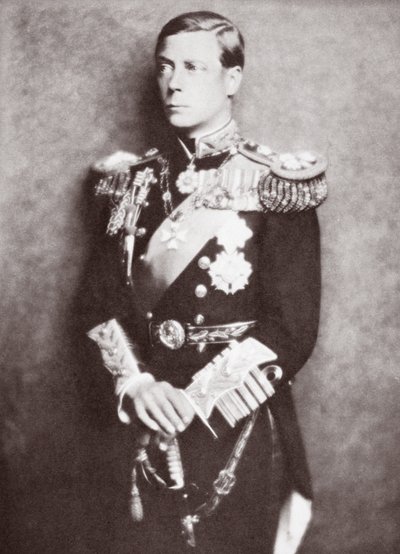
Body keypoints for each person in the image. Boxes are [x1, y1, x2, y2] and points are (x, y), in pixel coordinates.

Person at [84, 10, 327, 554]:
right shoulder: (129, 184)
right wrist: (136, 386)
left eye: (193, 67)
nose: (173, 82)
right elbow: (98, 304)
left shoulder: (275, 184)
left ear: (231, 78)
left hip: (234, 427)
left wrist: (192, 404)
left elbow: (291, 328)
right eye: (165, 66)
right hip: (142, 415)